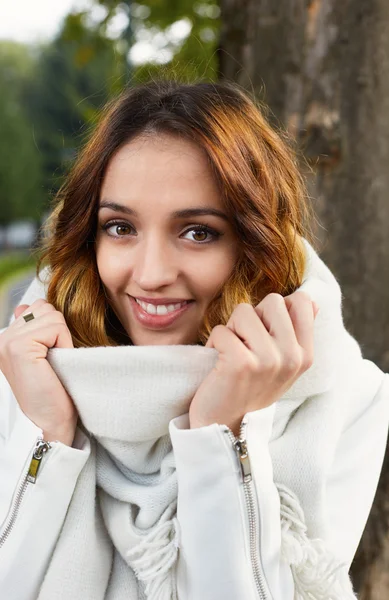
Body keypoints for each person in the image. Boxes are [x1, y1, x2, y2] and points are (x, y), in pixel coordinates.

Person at [0, 79, 388, 600]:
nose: (152, 273)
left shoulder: (346, 397)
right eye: (120, 227)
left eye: (198, 232)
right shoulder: (23, 374)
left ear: (256, 244)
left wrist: (221, 438)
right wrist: (48, 436)